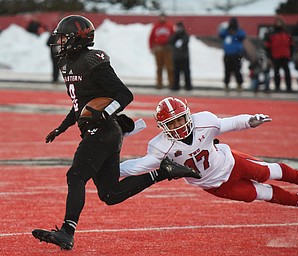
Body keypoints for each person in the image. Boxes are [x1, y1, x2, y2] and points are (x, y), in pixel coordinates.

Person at [31, 15, 200, 251]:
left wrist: (104, 114)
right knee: (109, 194)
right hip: (105, 133)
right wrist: (63, 126)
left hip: (103, 130)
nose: (59, 42)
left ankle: (67, 231)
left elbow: (124, 94)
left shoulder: (92, 61)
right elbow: (81, 103)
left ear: (76, 40)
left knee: (76, 175)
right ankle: (163, 172)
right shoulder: (67, 63)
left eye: (63, 38)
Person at [120, 97, 298, 219]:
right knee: (262, 194)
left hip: (232, 163)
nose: (179, 125)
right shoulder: (160, 146)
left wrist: (249, 120)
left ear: (188, 115)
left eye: (180, 119)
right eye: (172, 123)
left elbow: (228, 124)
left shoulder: (204, 121)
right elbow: (138, 166)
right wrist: (109, 168)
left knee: (269, 172)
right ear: (163, 127)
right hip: (216, 185)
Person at [265, 17, 294, 92]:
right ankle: (277, 86)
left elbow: (291, 44)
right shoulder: (271, 33)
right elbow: (268, 46)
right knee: (276, 72)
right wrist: (270, 56)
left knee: (287, 72)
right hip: (275, 55)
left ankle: (289, 87)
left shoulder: (286, 32)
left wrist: (290, 54)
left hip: (285, 55)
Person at [219, 17, 246, 92]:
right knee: (227, 71)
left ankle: (239, 85)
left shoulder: (238, 32)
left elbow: (243, 35)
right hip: (227, 54)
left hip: (236, 54)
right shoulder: (227, 32)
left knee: (237, 70)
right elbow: (221, 34)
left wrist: (236, 31)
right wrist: (228, 30)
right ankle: (226, 85)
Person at [149, 13, 174, 89]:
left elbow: (174, 37)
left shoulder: (170, 26)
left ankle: (171, 83)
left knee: (169, 67)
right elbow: (151, 38)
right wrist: (151, 47)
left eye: (164, 17)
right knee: (159, 67)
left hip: (167, 49)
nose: (162, 19)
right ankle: (159, 84)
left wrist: (172, 47)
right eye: (161, 17)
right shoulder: (156, 26)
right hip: (158, 49)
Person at [169, 21, 192, 91]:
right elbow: (170, 41)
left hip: (184, 57)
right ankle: (176, 86)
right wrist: (176, 36)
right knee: (176, 73)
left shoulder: (185, 35)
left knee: (186, 73)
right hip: (176, 57)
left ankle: (188, 86)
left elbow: (185, 41)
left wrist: (180, 39)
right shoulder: (174, 35)